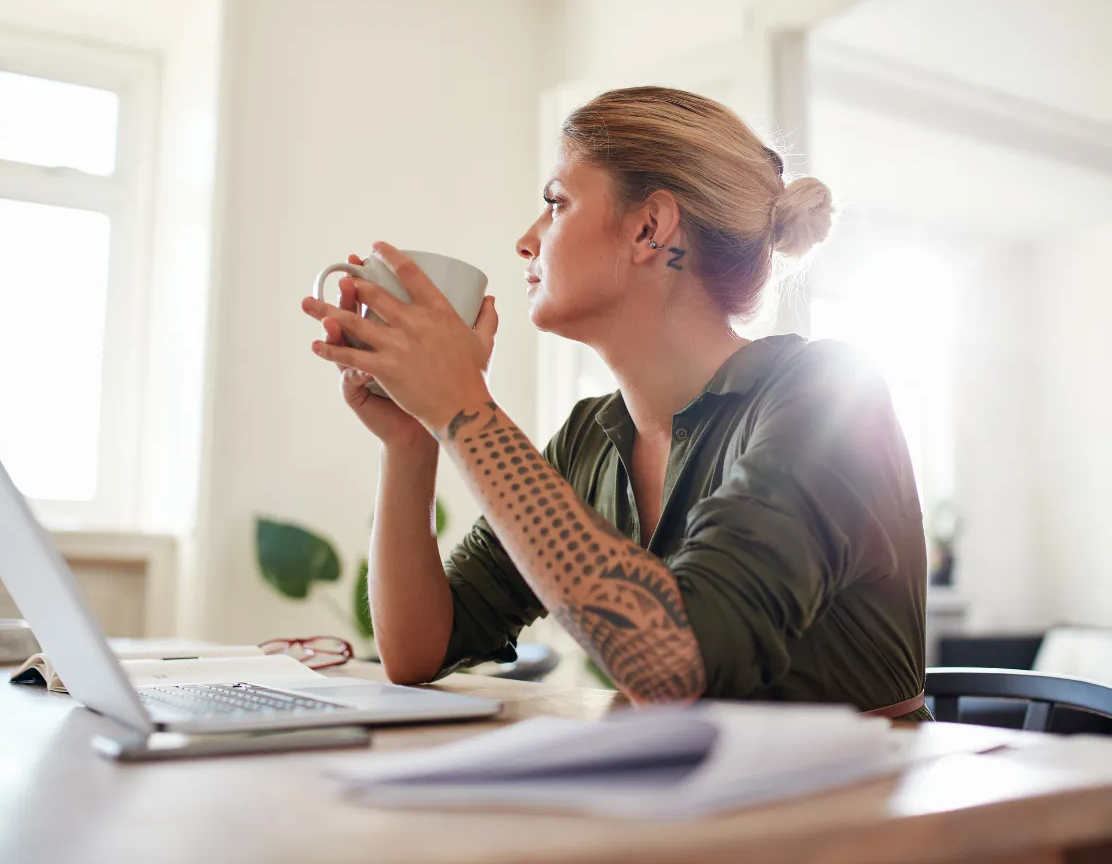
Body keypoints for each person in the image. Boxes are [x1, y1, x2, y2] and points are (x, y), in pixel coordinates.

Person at [300, 86, 929, 720]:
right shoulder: (590, 439)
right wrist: (412, 440)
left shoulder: (829, 396)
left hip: (854, 806)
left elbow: (674, 659)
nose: (526, 240)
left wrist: (464, 409)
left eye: (556, 203)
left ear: (650, 229)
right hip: (691, 803)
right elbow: (417, 651)